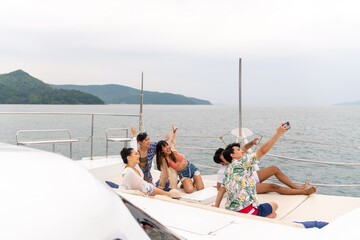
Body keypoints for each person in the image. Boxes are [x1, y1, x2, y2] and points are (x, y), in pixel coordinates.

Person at [214, 124, 316, 218]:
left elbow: (222, 190)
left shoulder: (228, 170)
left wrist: (216, 207)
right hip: (246, 211)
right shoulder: (242, 162)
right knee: (274, 206)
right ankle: (257, 216)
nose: (242, 151)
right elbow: (262, 151)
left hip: (231, 210)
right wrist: (278, 134)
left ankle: (296, 190)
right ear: (233, 155)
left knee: (272, 212)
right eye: (239, 150)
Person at [213, 144, 313, 195]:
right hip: (247, 185)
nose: (226, 157)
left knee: (274, 169)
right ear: (221, 163)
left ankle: (296, 187)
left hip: (252, 176)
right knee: (273, 187)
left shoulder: (237, 159)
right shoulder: (223, 171)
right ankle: (303, 192)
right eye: (223, 158)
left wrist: (252, 142)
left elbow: (244, 148)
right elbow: (219, 187)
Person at [156, 125, 204, 193]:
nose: (167, 147)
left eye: (167, 145)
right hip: (183, 174)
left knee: (200, 188)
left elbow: (172, 140)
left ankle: (192, 182)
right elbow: (164, 174)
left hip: (191, 167)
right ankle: (186, 182)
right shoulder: (165, 161)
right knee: (190, 190)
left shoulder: (172, 149)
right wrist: (161, 187)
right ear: (161, 151)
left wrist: (173, 131)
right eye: (164, 147)